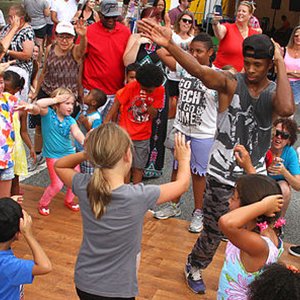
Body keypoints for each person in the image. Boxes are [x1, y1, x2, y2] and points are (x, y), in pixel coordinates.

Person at [138, 18, 294, 294]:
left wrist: (281, 63)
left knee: (256, 232)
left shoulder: (272, 91)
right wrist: (171, 44)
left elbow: (285, 108)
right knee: (213, 231)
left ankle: (249, 280)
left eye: (259, 65)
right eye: (248, 63)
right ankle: (194, 266)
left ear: (270, 64)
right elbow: (199, 71)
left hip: (254, 177)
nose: (251, 69)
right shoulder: (232, 82)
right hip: (221, 174)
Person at [54, 124, 191, 299]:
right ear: (127, 155)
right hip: (119, 290)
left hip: (84, 283)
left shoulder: (85, 186)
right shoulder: (139, 196)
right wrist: (184, 160)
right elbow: (182, 185)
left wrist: (86, 153)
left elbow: (60, 166)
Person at [154, 33, 217, 235]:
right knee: (176, 168)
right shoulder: (184, 69)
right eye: (192, 50)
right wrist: (183, 44)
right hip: (182, 128)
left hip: (203, 132)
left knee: (199, 175)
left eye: (199, 51)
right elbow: (161, 51)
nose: (195, 55)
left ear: (210, 52)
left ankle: (199, 212)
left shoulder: (216, 75)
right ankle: (174, 204)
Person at [15, 88, 85, 216]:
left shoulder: (71, 121)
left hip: (69, 154)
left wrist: (85, 141)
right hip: (53, 156)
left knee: (75, 180)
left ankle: (69, 200)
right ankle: (43, 203)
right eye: (66, 103)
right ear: (57, 105)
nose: (71, 107)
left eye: (72, 104)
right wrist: (55, 99)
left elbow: (77, 133)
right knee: (57, 185)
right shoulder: (47, 114)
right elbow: (39, 104)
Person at [29, 20, 87, 171]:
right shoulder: (50, 48)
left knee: (66, 128)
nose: (64, 40)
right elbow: (45, 70)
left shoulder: (74, 51)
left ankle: (66, 160)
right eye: (61, 36)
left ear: (73, 38)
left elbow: (82, 50)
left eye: (68, 37)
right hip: (48, 92)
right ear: (56, 36)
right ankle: (38, 155)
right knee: (39, 126)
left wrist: (84, 36)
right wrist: (36, 91)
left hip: (66, 98)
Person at [218, 174, 284, 299]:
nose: (228, 201)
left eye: (233, 198)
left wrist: (263, 205)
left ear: (249, 207)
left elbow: (225, 223)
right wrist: (248, 167)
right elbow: (261, 190)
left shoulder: (257, 244)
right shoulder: (268, 230)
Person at [123, 7, 168, 179]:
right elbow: (127, 61)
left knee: (156, 127)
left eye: (153, 20)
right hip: (136, 89)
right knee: (135, 123)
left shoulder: (162, 40)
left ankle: (150, 166)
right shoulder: (134, 37)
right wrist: (139, 42)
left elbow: (170, 61)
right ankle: (130, 166)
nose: (149, 24)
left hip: (157, 89)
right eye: (146, 21)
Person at [107, 64, 165, 183]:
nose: (145, 91)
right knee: (125, 168)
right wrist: (106, 123)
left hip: (143, 136)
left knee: (138, 168)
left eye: (149, 90)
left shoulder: (160, 90)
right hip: (125, 135)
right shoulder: (132, 86)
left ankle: (136, 195)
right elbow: (117, 103)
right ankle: (125, 194)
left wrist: (148, 104)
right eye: (143, 88)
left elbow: (154, 115)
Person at [81, 0, 131, 121]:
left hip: (116, 92)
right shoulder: (89, 31)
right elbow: (80, 60)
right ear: (100, 15)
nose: (111, 20)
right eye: (107, 16)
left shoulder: (125, 32)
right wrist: (79, 88)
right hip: (92, 91)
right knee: (86, 131)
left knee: (108, 132)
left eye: (114, 16)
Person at [0, 198, 52, 299]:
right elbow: (45, 266)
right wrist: (28, 234)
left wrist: (6, 206)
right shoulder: (9, 265)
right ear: (18, 234)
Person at [3, 70, 36, 197]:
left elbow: (23, 132)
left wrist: (31, 147)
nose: (4, 92)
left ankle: (14, 208)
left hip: (15, 150)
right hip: (3, 149)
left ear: (16, 90)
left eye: (7, 90)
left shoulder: (21, 109)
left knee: (14, 181)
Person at [265, 118, 300, 216]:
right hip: (259, 182)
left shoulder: (290, 152)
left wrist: (284, 171)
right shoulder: (263, 145)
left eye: (284, 135)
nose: (279, 137)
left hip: (277, 185)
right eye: (277, 133)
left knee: (284, 187)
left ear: (289, 140)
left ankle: (279, 221)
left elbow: (298, 186)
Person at [0, 4, 35, 102]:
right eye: (9, 16)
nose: (9, 19)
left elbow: (27, 55)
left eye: (12, 17)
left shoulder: (27, 32)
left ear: (21, 18)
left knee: (17, 99)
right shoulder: (7, 28)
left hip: (19, 70)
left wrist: (7, 51)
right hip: (4, 68)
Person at [212, 1, 259, 72]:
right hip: (221, 73)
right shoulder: (228, 27)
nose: (240, 13)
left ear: (250, 15)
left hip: (241, 77)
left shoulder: (254, 34)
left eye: (244, 11)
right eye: (239, 11)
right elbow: (219, 33)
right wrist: (215, 23)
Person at [166, 11, 194, 118]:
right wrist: (185, 45)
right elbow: (167, 48)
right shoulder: (173, 35)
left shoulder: (192, 38)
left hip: (186, 77)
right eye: (184, 20)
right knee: (170, 106)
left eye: (190, 21)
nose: (187, 23)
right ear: (179, 21)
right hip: (172, 76)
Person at [75, 88, 107, 173]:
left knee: (87, 170)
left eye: (88, 94)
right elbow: (75, 124)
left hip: (87, 148)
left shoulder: (96, 117)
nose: (85, 95)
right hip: (78, 144)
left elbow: (94, 132)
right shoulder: (83, 111)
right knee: (78, 168)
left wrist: (86, 122)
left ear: (93, 102)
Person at [0, 70, 18, 198]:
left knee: (4, 203)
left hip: (6, 160)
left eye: (1, 82)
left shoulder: (8, 99)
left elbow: (36, 107)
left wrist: (56, 99)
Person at [284, 25, 300, 103]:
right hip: (282, 82)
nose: (298, 38)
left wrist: (287, 72)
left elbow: (283, 71)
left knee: (291, 112)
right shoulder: (284, 50)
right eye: (296, 35)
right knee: (276, 109)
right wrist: (296, 72)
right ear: (292, 37)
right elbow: (277, 70)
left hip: (297, 86)